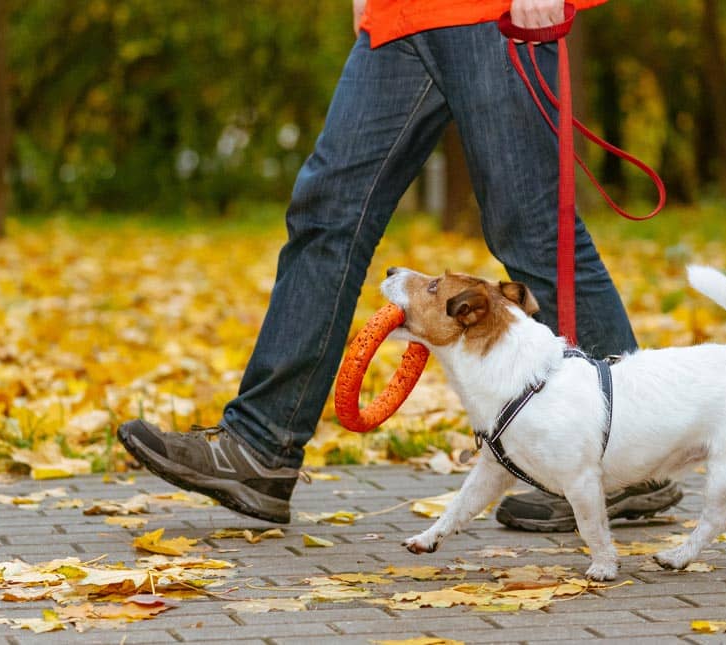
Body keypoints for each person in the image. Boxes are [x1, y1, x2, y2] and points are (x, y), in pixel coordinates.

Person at [118, 0, 682, 529]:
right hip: (399, 16)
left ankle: (626, 456)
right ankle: (260, 445)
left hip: (493, 14)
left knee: (529, 231)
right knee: (327, 214)